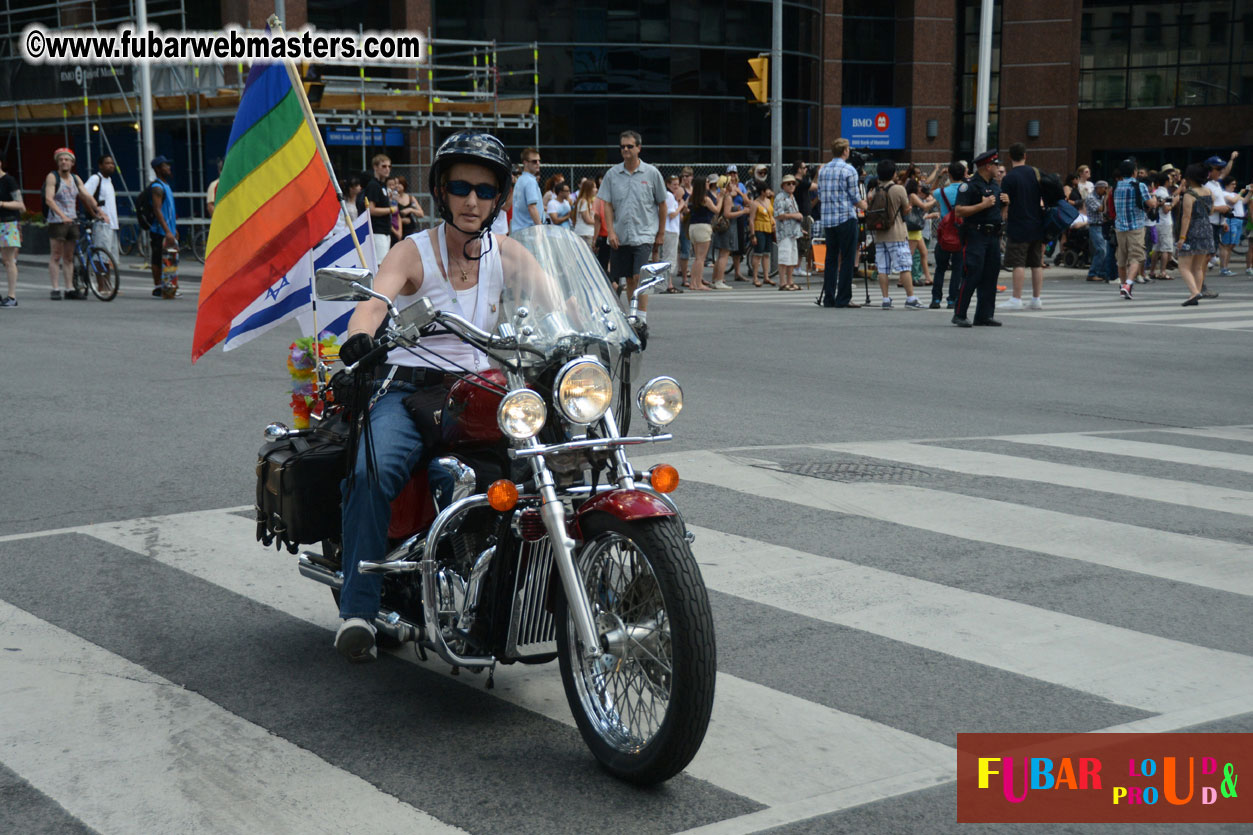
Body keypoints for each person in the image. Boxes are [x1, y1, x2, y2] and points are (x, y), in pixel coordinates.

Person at [332, 131, 552, 662]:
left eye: (483, 189)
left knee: (556, 466)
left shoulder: (509, 252)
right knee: (373, 469)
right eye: (460, 187)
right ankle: (358, 608)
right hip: (412, 390)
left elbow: (556, 297)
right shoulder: (414, 251)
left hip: (487, 391)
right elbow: (376, 299)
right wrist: (360, 333)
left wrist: (596, 323)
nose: (472, 200)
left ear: (498, 197)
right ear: (441, 192)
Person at [600, 130, 667, 328]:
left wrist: (660, 233)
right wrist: (611, 231)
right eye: (622, 147)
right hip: (621, 235)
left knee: (640, 276)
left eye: (630, 146)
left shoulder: (652, 173)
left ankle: (642, 319)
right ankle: (633, 316)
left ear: (639, 148)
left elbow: (662, 204)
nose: (626, 150)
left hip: (644, 233)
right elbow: (607, 205)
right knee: (629, 279)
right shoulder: (613, 174)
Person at [951, 149, 1008, 327]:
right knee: (972, 274)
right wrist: (982, 205)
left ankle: (984, 315)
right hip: (975, 234)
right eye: (996, 165)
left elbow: (1000, 215)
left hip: (993, 236)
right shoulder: (969, 185)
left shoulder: (995, 185)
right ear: (987, 166)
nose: (998, 169)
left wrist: (1006, 204)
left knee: (991, 275)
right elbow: (959, 211)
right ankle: (959, 314)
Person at [43, 147, 103, 300]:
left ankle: (69, 288)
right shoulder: (53, 177)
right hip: (57, 221)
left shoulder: (76, 179)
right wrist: (62, 216)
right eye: (61, 159)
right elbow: (49, 199)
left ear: (72, 162)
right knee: (56, 255)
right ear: (57, 162)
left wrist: (99, 211)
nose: (64, 162)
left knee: (69, 256)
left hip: (73, 220)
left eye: (67, 159)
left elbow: (86, 195)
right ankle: (55, 288)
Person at [816, 138, 868, 308]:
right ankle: (843, 297)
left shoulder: (823, 170)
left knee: (830, 258)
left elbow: (821, 194)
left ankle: (828, 297)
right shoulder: (849, 170)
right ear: (845, 151)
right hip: (845, 217)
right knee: (847, 258)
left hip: (828, 219)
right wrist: (864, 204)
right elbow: (854, 197)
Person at [998, 142, 1046, 311]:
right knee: (1036, 263)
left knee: (1018, 263)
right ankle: (1036, 298)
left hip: (1019, 224)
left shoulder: (1009, 178)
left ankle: (1016, 298)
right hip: (1037, 223)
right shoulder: (1036, 174)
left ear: (1010, 157)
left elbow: (1003, 203)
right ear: (1025, 156)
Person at [867, 160, 922, 309]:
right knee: (904, 267)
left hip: (880, 235)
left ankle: (885, 299)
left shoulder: (874, 190)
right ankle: (910, 298)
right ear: (893, 173)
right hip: (896, 233)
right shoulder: (898, 189)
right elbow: (905, 209)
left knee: (883, 268)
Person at [1111, 159, 1156, 300]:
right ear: (1134, 172)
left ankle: (1123, 286)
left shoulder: (1116, 186)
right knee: (1136, 257)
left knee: (1121, 258)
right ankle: (1128, 284)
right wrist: (1154, 197)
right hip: (1135, 226)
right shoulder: (1140, 185)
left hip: (1120, 227)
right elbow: (1150, 203)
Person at [1175, 162, 1217, 306]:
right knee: (1198, 267)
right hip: (1207, 229)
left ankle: (1194, 292)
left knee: (1183, 265)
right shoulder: (1209, 192)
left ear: (1190, 177)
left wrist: (1181, 238)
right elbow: (1211, 211)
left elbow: (1186, 217)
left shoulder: (1189, 194)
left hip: (1192, 231)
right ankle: (1197, 291)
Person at [931, 160, 966, 308]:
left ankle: (936, 299)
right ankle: (952, 299)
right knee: (957, 268)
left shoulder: (942, 192)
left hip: (944, 234)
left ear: (949, 175)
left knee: (940, 268)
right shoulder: (967, 190)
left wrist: (940, 176)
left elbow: (932, 190)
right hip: (961, 233)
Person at [147, 155, 178, 298]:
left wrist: (173, 229)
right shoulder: (157, 187)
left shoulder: (166, 186)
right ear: (158, 169)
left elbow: (169, 210)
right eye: (165, 166)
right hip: (159, 231)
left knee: (170, 259)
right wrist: (167, 231)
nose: (169, 168)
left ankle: (169, 286)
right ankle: (158, 286)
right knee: (158, 258)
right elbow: (157, 210)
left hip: (168, 230)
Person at [709, 173, 747, 291]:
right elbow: (727, 214)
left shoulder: (720, 195)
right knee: (724, 255)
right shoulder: (728, 197)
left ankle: (715, 279)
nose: (733, 184)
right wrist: (743, 212)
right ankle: (719, 280)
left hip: (721, 228)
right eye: (730, 182)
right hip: (728, 229)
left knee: (721, 254)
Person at [356, 154, 394, 263]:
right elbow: (371, 209)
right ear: (375, 167)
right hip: (377, 230)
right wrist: (390, 210)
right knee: (379, 264)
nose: (387, 169)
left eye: (389, 166)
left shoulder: (382, 185)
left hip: (385, 230)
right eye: (384, 166)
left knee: (384, 262)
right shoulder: (373, 185)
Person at [83, 154, 121, 263]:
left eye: (112, 163)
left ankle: (107, 280)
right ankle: (100, 279)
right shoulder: (96, 179)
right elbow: (84, 196)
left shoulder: (109, 181)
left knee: (109, 260)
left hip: (112, 225)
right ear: (100, 166)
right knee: (100, 258)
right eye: (107, 163)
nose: (111, 166)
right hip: (101, 225)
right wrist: (94, 215)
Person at [686, 175, 717, 291]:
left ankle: (693, 282)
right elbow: (716, 210)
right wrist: (722, 198)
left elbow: (686, 208)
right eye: (707, 182)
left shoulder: (691, 197)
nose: (708, 184)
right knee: (701, 258)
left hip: (693, 226)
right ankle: (698, 283)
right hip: (703, 226)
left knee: (697, 257)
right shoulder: (705, 199)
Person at [773, 174, 804, 291]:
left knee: (792, 258)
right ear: (783, 185)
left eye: (793, 183)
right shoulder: (780, 197)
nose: (791, 185)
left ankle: (790, 281)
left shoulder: (792, 197)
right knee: (784, 257)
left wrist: (800, 228)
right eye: (788, 183)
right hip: (784, 232)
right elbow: (779, 215)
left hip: (793, 232)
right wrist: (795, 215)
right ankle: (782, 282)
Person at [0, 156, 21, 307]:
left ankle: (11, 296)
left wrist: (2, 203)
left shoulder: (8, 180)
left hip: (8, 222)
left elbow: (20, 204)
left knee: (8, 260)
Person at [659, 175, 685, 293]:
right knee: (669, 258)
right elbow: (672, 214)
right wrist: (681, 205)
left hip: (673, 230)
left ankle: (668, 283)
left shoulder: (673, 197)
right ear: (668, 185)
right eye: (674, 185)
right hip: (670, 231)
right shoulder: (668, 196)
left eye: (678, 184)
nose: (676, 187)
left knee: (670, 257)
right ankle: (667, 284)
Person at [748, 185, 776, 287]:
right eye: (767, 190)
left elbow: (771, 214)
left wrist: (774, 224)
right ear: (762, 191)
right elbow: (751, 220)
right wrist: (752, 235)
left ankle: (766, 277)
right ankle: (755, 277)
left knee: (767, 254)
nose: (769, 192)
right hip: (759, 229)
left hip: (768, 229)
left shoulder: (768, 201)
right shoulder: (755, 203)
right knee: (758, 254)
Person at [1148, 172, 1174, 281]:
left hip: (1156, 223)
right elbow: (1166, 209)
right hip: (1165, 223)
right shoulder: (1165, 194)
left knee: (1156, 248)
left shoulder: (1156, 192)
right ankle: (1163, 271)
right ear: (1166, 181)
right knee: (1165, 249)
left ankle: (1152, 271)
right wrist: (1174, 203)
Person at [1218, 175, 1245, 276]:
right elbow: (1233, 201)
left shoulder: (1235, 194)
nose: (1234, 186)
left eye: (1235, 184)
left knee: (1232, 244)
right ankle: (1223, 268)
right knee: (1227, 244)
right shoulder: (1224, 193)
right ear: (1226, 185)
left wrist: (1250, 192)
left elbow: (1245, 201)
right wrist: (1241, 192)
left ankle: (1226, 267)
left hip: (1239, 220)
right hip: (1231, 220)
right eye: (1232, 184)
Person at [1084, 180, 1110, 282]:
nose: (1106, 191)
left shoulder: (1102, 197)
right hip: (1094, 226)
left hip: (1102, 226)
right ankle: (1092, 273)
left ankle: (1101, 273)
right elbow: (1101, 209)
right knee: (1101, 249)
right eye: (1104, 188)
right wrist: (1107, 198)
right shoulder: (1091, 198)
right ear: (1098, 188)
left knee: (1105, 250)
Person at [511, 147, 542, 233]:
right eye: (534, 161)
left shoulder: (520, 180)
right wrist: (540, 229)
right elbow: (532, 207)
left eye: (539, 161)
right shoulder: (530, 181)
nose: (538, 163)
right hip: (529, 232)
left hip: (519, 231)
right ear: (525, 163)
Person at [677, 167, 694, 286]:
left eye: (687, 176)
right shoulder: (681, 190)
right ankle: (684, 277)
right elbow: (677, 204)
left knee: (693, 249)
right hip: (684, 221)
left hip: (694, 220)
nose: (685, 178)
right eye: (683, 176)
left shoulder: (694, 189)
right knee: (685, 248)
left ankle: (687, 271)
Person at [394, 175, 424, 239]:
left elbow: (421, 214)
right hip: (397, 230)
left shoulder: (410, 198)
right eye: (395, 183)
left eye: (399, 183)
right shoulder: (393, 199)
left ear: (403, 184)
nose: (396, 185)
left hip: (410, 230)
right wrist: (401, 220)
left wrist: (410, 210)